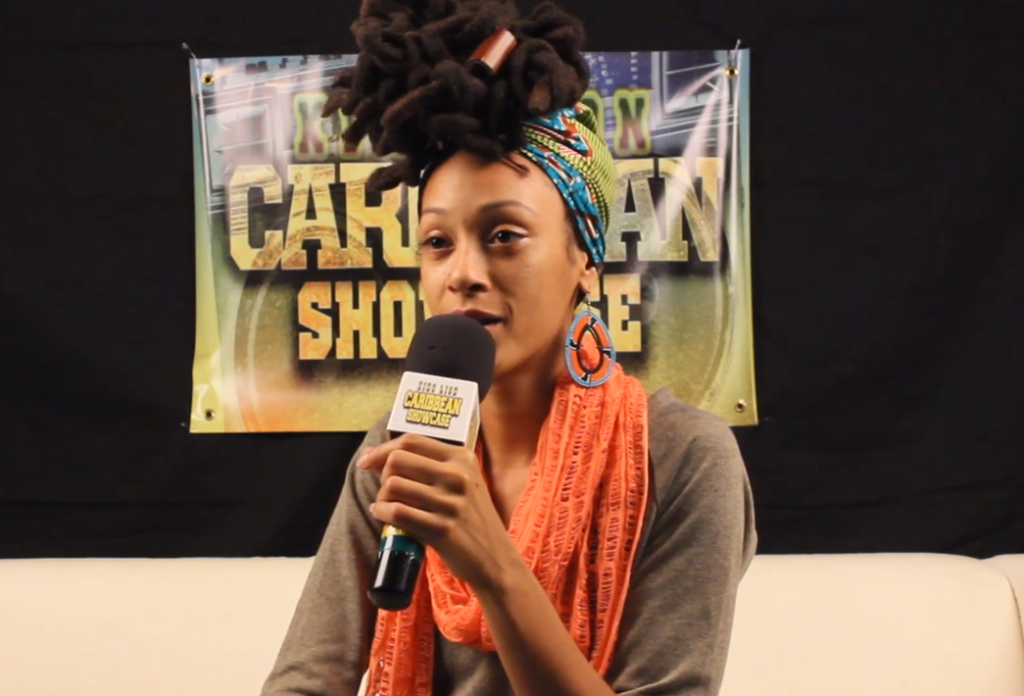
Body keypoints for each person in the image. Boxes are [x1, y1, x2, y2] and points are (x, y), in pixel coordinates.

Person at [261, 1, 757, 694]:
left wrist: (493, 564)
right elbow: (304, 681)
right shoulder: (401, 450)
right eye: (438, 242)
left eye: (504, 235)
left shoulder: (684, 456)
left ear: (586, 261)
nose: (463, 272)